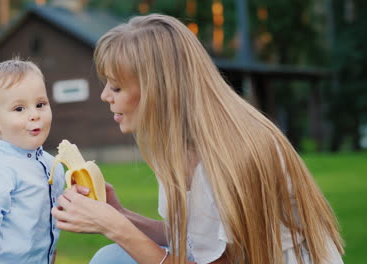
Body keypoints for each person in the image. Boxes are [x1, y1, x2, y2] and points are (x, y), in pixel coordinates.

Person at [51, 13, 345, 264]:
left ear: (158, 90)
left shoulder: (231, 154)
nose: (105, 96)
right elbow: (196, 243)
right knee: (111, 258)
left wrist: (116, 227)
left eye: (115, 87)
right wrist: (119, 214)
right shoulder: (184, 146)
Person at [0, 59, 64, 264]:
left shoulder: (53, 166)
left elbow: (49, 227)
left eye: (40, 104)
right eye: (19, 109)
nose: (34, 115)